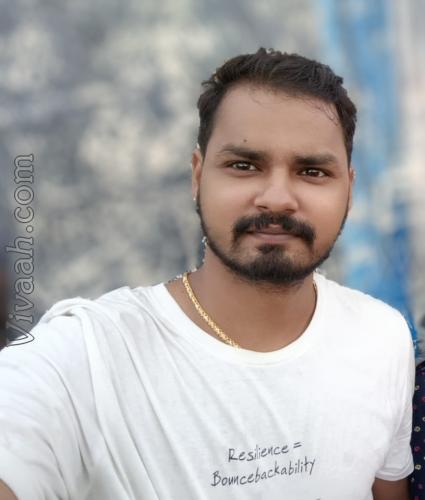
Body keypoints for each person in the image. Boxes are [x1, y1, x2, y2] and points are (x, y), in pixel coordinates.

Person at [0, 48, 414, 500]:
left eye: (312, 171)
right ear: (198, 176)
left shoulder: (384, 338)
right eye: (244, 166)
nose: (277, 198)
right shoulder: (86, 356)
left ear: (349, 190)